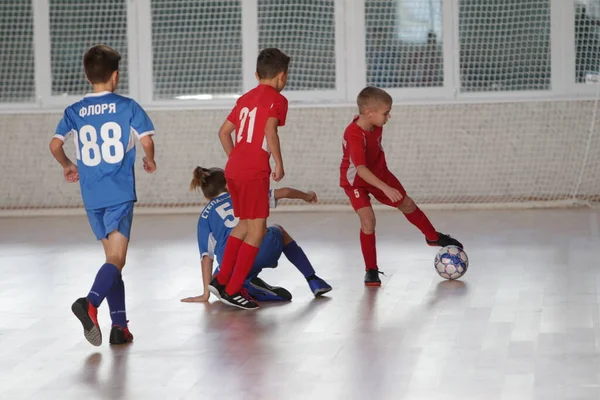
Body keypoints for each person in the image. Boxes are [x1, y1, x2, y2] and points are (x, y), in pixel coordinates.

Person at [49, 44, 157, 345]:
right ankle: (90, 303)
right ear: (115, 76)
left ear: (87, 77)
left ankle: (119, 327)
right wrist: (150, 159)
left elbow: (55, 145)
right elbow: (146, 141)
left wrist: (68, 165)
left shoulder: (74, 111)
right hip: (119, 193)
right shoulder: (127, 106)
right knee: (117, 260)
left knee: (112, 259)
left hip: (92, 196)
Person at [339, 86, 463, 287]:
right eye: (386, 113)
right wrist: (385, 188)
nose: (389, 117)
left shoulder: (376, 124)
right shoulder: (354, 134)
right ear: (369, 113)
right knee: (368, 220)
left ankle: (432, 237)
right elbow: (360, 169)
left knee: (407, 204)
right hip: (356, 182)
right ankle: (370, 270)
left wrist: (385, 183)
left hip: (380, 174)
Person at [209, 48, 291, 309]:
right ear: (282, 76)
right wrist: (278, 161)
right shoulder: (278, 99)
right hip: (254, 171)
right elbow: (270, 130)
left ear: (257, 75)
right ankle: (233, 289)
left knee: (243, 225)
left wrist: (236, 159)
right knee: (257, 230)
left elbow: (223, 133)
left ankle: (221, 279)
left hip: (233, 169)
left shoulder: (245, 98)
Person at [181, 167, 332, 304]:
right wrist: (307, 196)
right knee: (277, 229)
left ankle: (247, 286)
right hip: (264, 249)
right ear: (228, 183)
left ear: (207, 196)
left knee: (217, 282)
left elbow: (207, 258)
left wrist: (206, 294)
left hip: (232, 263)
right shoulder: (244, 194)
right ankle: (313, 279)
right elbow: (284, 192)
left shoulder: (204, 217)